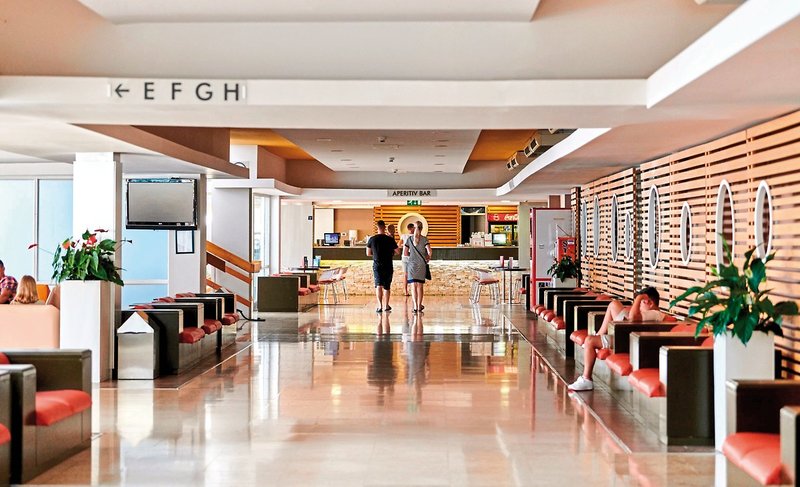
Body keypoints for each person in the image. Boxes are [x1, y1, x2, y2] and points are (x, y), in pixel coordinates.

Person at [568, 287, 665, 391]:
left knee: (589, 341)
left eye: (641, 303)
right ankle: (599, 335)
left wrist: (639, 297)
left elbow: (632, 318)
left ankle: (586, 379)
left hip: (629, 342)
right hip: (627, 337)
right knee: (614, 304)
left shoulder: (655, 313)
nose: (639, 307)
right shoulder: (650, 313)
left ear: (650, 303)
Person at [366, 220, 399, 313]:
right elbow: (398, 251)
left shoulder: (372, 239)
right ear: (385, 227)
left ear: (377, 227)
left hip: (377, 265)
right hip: (388, 265)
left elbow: (368, 253)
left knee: (378, 285)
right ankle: (386, 305)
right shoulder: (390, 239)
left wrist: (376, 253)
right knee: (387, 286)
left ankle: (380, 306)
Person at [403, 221, 432, 313]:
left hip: (411, 265)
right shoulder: (424, 239)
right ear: (422, 228)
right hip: (421, 265)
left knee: (413, 286)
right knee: (420, 286)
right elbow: (430, 251)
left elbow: (405, 253)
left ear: (413, 228)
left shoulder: (409, 239)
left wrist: (412, 255)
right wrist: (427, 257)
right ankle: (419, 306)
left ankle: (415, 307)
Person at [400, 223, 416, 296]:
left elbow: (398, 244)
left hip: (404, 257)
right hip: (412, 257)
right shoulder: (416, 236)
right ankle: (413, 291)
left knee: (406, 275)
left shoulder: (404, 236)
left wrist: (404, 246)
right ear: (413, 228)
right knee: (413, 275)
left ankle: (406, 291)